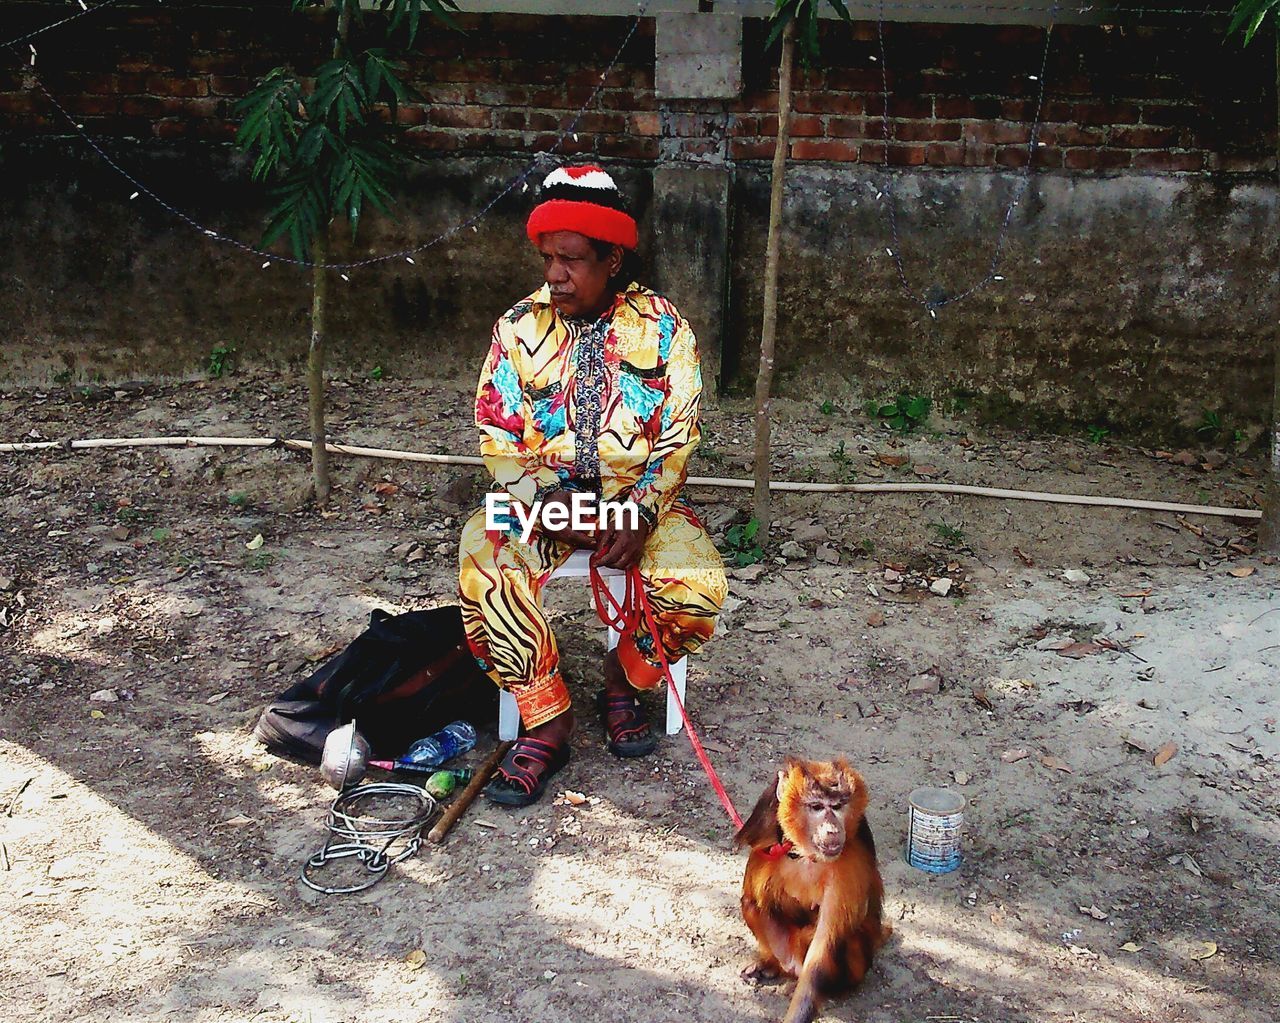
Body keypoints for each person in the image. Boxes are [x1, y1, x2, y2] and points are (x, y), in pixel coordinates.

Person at [458, 164, 728, 807]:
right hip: (539, 499)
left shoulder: (665, 327)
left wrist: (636, 513)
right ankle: (547, 719)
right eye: (548, 258)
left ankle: (621, 680)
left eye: (572, 260)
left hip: (641, 502)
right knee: (484, 560)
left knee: (698, 591)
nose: (555, 274)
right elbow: (497, 437)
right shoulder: (516, 327)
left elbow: (679, 437)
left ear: (612, 259)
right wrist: (549, 504)